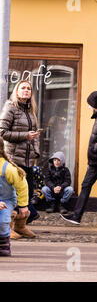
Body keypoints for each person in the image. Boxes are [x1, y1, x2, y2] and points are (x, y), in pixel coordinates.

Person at [61, 91, 97, 225]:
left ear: (94, 105)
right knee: (86, 186)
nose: (88, 107)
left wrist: (94, 149)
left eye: (89, 104)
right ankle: (76, 216)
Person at [0, 80, 40, 227]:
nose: (26, 91)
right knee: (15, 193)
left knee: (27, 192)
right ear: (16, 91)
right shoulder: (10, 107)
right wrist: (25, 135)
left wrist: (36, 150)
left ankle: (19, 225)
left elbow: (32, 134)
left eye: (29, 88)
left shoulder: (30, 110)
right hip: (14, 157)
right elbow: (2, 132)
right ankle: (10, 227)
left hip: (28, 158)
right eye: (23, 88)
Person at [0, 136, 29, 256]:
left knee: (2, 221)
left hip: (7, 200)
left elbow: (22, 186)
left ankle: (3, 244)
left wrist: (23, 205)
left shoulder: (8, 169)